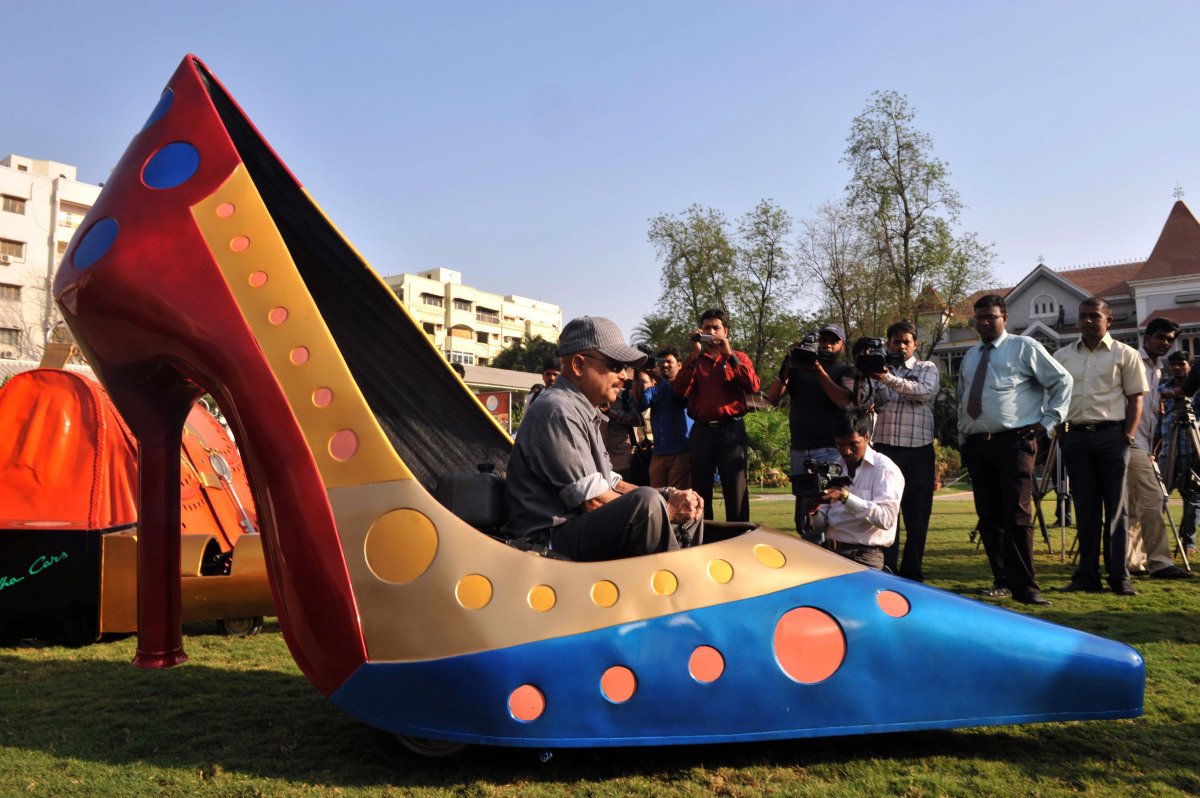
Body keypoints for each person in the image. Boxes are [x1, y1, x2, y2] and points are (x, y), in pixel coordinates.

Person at [505, 316, 703, 560]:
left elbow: (611, 482)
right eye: (615, 365)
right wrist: (665, 508)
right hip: (547, 539)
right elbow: (593, 501)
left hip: (577, 528)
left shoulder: (583, 409)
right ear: (578, 365)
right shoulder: (558, 409)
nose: (625, 376)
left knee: (689, 503)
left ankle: (684, 579)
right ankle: (674, 588)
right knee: (647, 502)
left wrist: (667, 494)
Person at [959, 293, 1071, 606]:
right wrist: (962, 438)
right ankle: (1002, 581)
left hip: (1015, 442)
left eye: (990, 317)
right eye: (979, 317)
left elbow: (1062, 382)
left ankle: (1026, 587)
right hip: (978, 445)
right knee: (988, 516)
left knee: (1018, 514)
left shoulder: (1025, 348)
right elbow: (963, 400)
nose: (983, 322)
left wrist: (1048, 421)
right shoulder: (970, 356)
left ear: (1004, 318)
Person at [1053, 297, 1147, 596]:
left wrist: (1127, 438)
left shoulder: (1126, 354)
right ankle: (1086, 577)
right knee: (1085, 509)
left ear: (1109, 321)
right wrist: (1062, 433)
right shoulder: (1063, 356)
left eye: (1094, 316)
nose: (1088, 321)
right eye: (1083, 316)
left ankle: (1119, 576)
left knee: (1117, 510)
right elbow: (1055, 397)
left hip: (1112, 437)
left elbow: (1136, 399)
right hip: (1076, 438)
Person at [866, 321, 939, 581]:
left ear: (915, 344)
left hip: (919, 450)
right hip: (886, 452)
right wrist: (865, 373)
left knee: (917, 515)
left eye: (906, 341)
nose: (901, 346)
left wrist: (887, 378)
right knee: (887, 513)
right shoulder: (877, 370)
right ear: (889, 344)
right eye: (896, 341)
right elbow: (865, 402)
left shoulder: (926, 368)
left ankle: (913, 573)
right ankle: (888, 570)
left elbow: (923, 392)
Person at [766, 324, 855, 537]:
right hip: (800, 449)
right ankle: (811, 558)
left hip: (829, 449)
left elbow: (844, 401)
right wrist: (789, 360)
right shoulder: (798, 368)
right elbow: (773, 397)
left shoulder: (844, 370)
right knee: (804, 515)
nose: (827, 345)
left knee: (829, 507)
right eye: (823, 340)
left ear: (841, 346)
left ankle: (831, 557)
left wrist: (819, 371)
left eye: (833, 341)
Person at [672, 309, 761, 522]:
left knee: (736, 487)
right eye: (706, 328)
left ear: (725, 331)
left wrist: (728, 354)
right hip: (701, 430)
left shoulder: (738, 357)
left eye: (716, 327)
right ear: (700, 331)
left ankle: (739, 536)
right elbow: (678, 390)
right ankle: (702, 536)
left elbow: (753, 386)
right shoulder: (696, 360)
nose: (711, 331)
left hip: (731, 429)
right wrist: (694, 354)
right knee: (700, 488)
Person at [1125, 318, 1191, 578]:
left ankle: (1133, 561)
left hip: (1142, 445)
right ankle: (1161, 563)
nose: (1164, 343)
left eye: (1169, 339)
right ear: (1147, 337)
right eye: (1160, 337)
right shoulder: (1132, 361)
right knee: (1154, 500)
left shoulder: (1158, 368)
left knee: (1132, 507)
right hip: (1130, 442)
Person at [808, 408, 904, 570]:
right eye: (840, 444)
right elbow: (819, 528)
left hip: (864, 557)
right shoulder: (835, 468)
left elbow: (886, 519)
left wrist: (845, 497)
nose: (846, 451)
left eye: (853, 444)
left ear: (867, 437)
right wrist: (814, 510)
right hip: (831, 553)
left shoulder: (884, 468)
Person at [633, 346, 691, 490]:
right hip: (658, 453)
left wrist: (658, 377)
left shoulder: (687, 387)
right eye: (661, 362)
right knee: (656, 496)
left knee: (680, 496)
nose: (664, 365)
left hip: (681, 451)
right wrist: (637, 372)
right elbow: (640, 404)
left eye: (669, 362)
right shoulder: (654, 389)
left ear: (679, 365)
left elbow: (677, 399)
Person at [1159, 351, 1200, 556]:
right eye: (1173, 364)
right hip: (1168, 449)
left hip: (1193, 449)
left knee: (1192, 497)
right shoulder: (1162, 389)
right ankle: (1156, 541)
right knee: (1158, 494)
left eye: (1181, 364)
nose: (1176, 368)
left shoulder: (1197, 391)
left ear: (1190, 367)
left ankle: (1188, 542)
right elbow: (1158, 421)